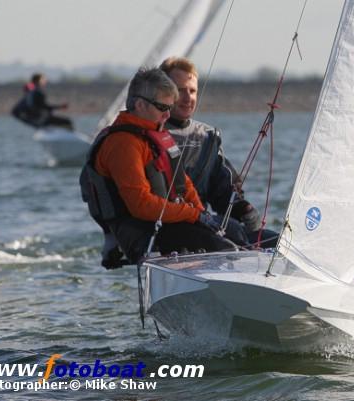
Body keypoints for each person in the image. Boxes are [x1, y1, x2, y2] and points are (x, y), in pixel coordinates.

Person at [80, 67, 243, 267]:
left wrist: (203, 215)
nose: (168, 115)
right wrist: (193, 215)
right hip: (143, 232)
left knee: (236, 232)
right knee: (225, 250)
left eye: (170, 107)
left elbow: (185, 184)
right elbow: (141, 206)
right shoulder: (123, 144)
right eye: (162, 107)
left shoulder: (157, 136)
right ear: (140, 104)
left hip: (170, 223)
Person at [160, 57, 278, 248]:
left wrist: (242, 208)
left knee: (278, 243)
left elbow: (222, 189)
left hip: (203, 225)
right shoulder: (151, 134)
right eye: (180, 90)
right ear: (163, 92)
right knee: (233, 234)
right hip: (167, 227)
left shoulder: (208, 136)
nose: (187, 97)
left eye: (192, 91)